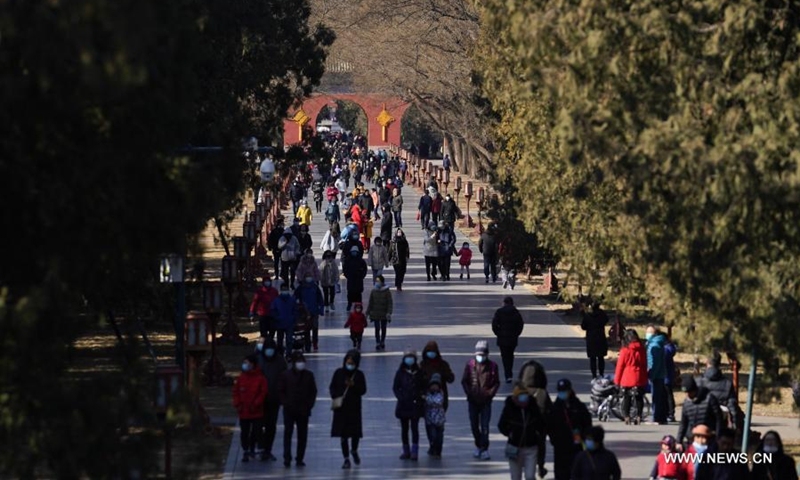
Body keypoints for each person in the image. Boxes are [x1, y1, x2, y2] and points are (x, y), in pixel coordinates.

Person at [498, 383, 547, 480]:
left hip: (531, 447)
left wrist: (537, 434)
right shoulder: (509, 408)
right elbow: (501, 425)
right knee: (516, 477)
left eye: (525, 397)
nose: (524, 399)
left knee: (530, 476)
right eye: (521, 397)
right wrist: (510, 433)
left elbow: (541, 424)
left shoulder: (533, 408)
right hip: (514, 447)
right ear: (515, 398)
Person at [462, 340, 500, 460]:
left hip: (486, 402)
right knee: (474, 425)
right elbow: (464, 381)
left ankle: (484, 448)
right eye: (478, 354)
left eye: (483, 354)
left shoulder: (493, 366)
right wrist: (469, 393)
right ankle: (478, 445)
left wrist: (490, 394)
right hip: (473, 401)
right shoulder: (470, 365)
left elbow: (496, 383)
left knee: (485, 426)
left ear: (487, 354)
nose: (480, 357)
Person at [278, 352, 317, 468]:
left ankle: (300, 458)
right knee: (288, 434)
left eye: (302, 361)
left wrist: (309, 405)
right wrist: (285, 403)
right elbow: (281, 391)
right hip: (289, 409)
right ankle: (287, 457)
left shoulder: (309, 375)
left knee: (302, 435)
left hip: (303, 410)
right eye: (298, 361)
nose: (301, 364)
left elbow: (313, 391)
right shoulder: (285, 375)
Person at [330, 350, 367, 469]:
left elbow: (363, 390)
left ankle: (354, 450)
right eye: (348, 362)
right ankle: (346, 458)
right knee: (343, 434)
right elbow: (332, 386)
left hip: (354, 408)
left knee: (355, 433)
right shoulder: (339, 373)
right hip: (341, 408)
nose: (349, 364)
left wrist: (354, 385)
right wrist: (336, 396)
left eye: (352, 363)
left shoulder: (359, 375)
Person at [548, 378, 592, 480]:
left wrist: (584, 438)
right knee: (561, 474)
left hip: (576, 446)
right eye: (560, 391)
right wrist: (554, 440)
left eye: (564, 390)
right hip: (560, 448)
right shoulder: (555, 408)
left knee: (577, 473)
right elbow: (550, 426)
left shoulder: (578, 406)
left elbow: (587, 423)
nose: (562, 393)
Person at [232, 354, 268, 463]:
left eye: (247, 363)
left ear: (253, 364)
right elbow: (236, 392)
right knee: (245, 432)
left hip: (256, 410)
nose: (245, 365)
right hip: (244, 410)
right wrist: (238, 404)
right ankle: (246, 450)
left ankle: (260, 449)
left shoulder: (260, 378)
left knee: (257, 431)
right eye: (244, 363)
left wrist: (256, 403)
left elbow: (263, 392)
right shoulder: (241, 378)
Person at [256, 338, 287, 462]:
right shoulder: (258, 360)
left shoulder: (280, 361)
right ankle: (260, 446)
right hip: (259, 399)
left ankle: (267, 449)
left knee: (271, 426)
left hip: (274, 399)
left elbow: (285, 379)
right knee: (258, 424)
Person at [393, 348, 425, 461]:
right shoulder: (400, 372)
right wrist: (400, 397)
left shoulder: (419, 372)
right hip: (403, 405)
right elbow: (395, 387)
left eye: (411, 357)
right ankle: (406, 450)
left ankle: (415, 451)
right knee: (404, 429)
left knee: (415, 428)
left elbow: (423, 386)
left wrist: (421, 396)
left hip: (415, 405)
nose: (409, 359)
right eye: (407, 357)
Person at [697, 352, 740, 433]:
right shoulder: (727, 383)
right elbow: (732, 406)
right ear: (719, 363)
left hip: (701, 420)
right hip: (721, 421)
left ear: (707, 362)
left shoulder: (699, 381)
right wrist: (735, 424)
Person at [676, 375, 724, 446]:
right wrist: (679, 441)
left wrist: (718, 436)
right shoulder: (686, 403)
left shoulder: (709, 399)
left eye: (689, 392)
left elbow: (719, 418)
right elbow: (683, 423)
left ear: (694, 389)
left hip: (709, 438)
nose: (688, 395)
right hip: (693, 439)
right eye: (686, 393)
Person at [614, 329, 648, 425]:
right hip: (639, 376)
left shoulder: (625, 350)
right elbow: (645, 364)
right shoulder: (642, 349)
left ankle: (627, 416)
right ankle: (638, 416)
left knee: (627, 398)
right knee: (639, 398)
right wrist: (645, 377)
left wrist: (617, 381)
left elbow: (620, 366)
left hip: (627, 376)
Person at [492, 296, 525, 383]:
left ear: (504, 303)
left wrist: (498, 333)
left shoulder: (499, 312)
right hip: (512, 338)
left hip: (502, 338)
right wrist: (517, 334)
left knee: (504, 356)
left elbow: (494, 324)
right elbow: (520, 324)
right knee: (510, 355)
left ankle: (507, 374)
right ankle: (509, 373)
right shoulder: (516, 312)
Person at [293, 275, 324, 352]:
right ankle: (307, 345)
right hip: (304, 312)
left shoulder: (315, 287)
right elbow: (295, 297)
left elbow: (320, 298)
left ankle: (315, 343)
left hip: (314, 311)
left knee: (315, 327)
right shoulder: (301, 287)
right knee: (306, 329)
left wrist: (321, 309)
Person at [646, 325, 668, 424]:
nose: (647, 334)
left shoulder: (655, 345)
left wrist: (651, 375)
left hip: (656, 374)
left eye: (649, 332)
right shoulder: (656, 343)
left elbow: (655, 362)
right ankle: (661, 417)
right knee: (660, 396)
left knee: (656, 397)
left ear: (654, 334)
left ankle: (656, 417)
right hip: (660, 374)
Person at [580, 300, 609, 378]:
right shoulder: (602, 314)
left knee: (592, 358)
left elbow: (583, 327)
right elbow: (606, 320)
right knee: (601, 357)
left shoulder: (587, 316)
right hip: (600, 337)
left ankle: (594, 375)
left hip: (591, 338)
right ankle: (601, 373)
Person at [365, 274, 393, 351]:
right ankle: (377, 341)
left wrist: (389, 312)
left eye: (378, 281)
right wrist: (367, 313)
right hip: (375, 313)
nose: (377, 282)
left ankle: (382, 341)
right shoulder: (373, 291)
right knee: (377, 328)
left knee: (383, 328)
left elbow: (390, 302)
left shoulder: (387, 291)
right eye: (376, 281)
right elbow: (370, 303)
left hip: (384, 313)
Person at [270, 284, 298, 355]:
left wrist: (294, 319)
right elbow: (273, 310)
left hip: (289, 323)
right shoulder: (276, 300)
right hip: (280, 323)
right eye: (283, 289)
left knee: (289, 340)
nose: (285, 291)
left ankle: (289, 353)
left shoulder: (292, 299)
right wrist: (277, 318)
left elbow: (295, 310)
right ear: (281, 290)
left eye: (286, 289)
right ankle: (280, 354)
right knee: (280, 340)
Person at [424, 374, 447, 458]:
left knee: (439, 437)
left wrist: (426, 399)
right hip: (430, 420)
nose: (434, 388)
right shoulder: (428, 393)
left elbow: (438, 402)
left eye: (436, 386)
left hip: (439, 420)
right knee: (432, 435)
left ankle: (438, 450)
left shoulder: (440, 394)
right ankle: (433, 447)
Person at [342, 245, 368, 312]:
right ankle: (349, 304)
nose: (354, 253)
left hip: (358, 280)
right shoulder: (348, 260)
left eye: (355, 252)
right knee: (350, 294)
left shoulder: (361, 261)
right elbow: (345, 269)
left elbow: (364, 269)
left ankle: (359, 306)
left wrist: (361, 275)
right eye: (353, 252)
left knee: (358, 294)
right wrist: (348, 275)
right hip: (351, 280)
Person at [664, 333, 678, 422]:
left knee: (668, 395)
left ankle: (670, 413)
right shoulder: (669, 348)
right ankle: (670, 412)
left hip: (666, 376)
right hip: (668, 375)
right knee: (668, 395)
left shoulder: (666, 349)